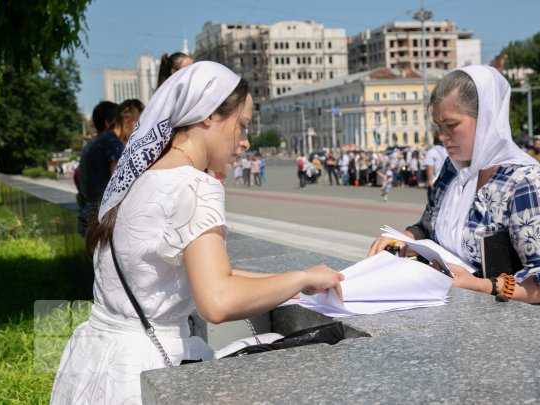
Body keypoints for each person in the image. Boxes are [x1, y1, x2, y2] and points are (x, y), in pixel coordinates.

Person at [50, 62, 344, 404]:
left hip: (98, 359)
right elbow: (216, 301)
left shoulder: (138, 178)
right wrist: (300, 279)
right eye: (242, 126)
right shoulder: (196, 185)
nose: (246, 142)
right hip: (147, 368)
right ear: (209, 116)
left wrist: (294, 281)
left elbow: (199, 272)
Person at [367, 65, 540, 318]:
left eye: (451, 124)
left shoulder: (526, 182)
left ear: (487, 118)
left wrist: (477, 285)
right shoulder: (454, 170)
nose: (442, 136)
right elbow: (427, 227)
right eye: (438, 126)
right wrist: (404, 240)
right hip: (476, 314)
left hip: (538, 324)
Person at [76, 101, 120, 236]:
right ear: (108, 123)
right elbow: (117, 182)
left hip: (88, 212)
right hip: (101, 218)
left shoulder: (90, 145)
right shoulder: (109, 144)